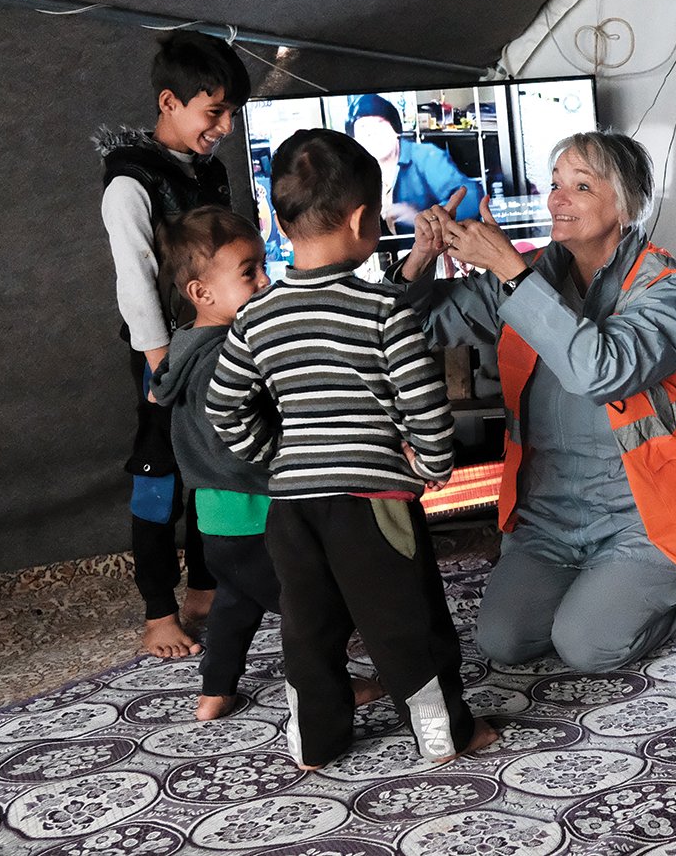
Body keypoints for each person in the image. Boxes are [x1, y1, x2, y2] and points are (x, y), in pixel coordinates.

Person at [397, 131, 676, 672]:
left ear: (626, 201)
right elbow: (411, 327)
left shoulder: (671, 287)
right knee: (503, 642)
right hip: (549, 517)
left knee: (587, 647)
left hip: (648, 516)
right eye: (555, 184)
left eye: (580, 186)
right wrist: (420, 258)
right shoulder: (527, 274)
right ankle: (602, 590)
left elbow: (601, 371)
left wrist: (510, 270)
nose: (557, 199)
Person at [206, 129, 494, 769]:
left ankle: (315, 741)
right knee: (406, 623)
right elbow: (425, 406)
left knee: (309, 631)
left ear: (278, 223)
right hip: (374, 504)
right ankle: (446, 734)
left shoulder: (257, 317)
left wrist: (275, 453)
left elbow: (223, 406)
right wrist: (433, 466)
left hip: (293, 506)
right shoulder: (384, 308)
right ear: (365, 220)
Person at [153, 207, 384, 722]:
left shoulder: (185, 350)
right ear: (202, 293)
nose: (265, 280)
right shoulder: (225, 356)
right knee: (314, 604)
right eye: (249, 272)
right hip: (256, 509)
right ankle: (331, 687)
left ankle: (216, 691)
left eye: (263, 266)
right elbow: (235, 438)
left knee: (237, 601)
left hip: (216, 517)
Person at [95, 30, 251, 659]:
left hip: (220, 343)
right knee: (162, 474)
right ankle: (160, 611)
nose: (226, 128)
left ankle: (207, 589)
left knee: (217, 466)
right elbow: (135, 286)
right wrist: (163, 370)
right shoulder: (128, 185)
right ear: (169, 101)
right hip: (163, 354)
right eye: (214, 112)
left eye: (231, 114)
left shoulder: (207, 174)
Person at [346, 93, 483, 232]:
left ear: (396, 130)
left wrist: (425, 219)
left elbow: (471, 197)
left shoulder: (425, 156)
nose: (372, 134)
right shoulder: (352, 169)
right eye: (363, 127)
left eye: (379, 124)